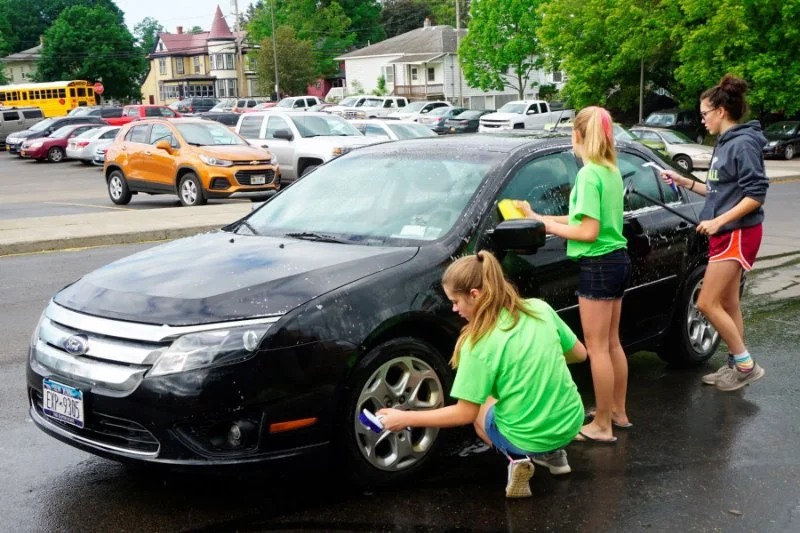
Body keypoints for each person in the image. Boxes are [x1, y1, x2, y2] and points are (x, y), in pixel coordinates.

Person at [377, 251, 587, 499]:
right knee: (528, 399)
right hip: (571, 421)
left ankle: (518, 458)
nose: (454, 308)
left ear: (474, 295)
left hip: (527, 438)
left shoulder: (478, 343)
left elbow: (463, 414)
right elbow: (580, 354)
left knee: (481, 404)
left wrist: (405, 418)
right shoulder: (539, 309)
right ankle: (556, 456)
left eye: (455, 301)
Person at [514, 106, 631, 444]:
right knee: (611, 343)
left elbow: (588, 231)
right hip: (617, 260)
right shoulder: (609, 171)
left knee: (596, 349)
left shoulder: (587, 174)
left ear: (578, 135)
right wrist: (539, 215)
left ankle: (603, 425)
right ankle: (617, 412)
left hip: (597, 266)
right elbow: (583, 219)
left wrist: (547, 225)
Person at [660, 74, 768, 391]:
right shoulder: (726, 144)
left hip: (737, 233)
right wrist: (684, 182)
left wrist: (719, 222)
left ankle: (746, 366)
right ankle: (737, 363)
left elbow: (756, 194)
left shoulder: (743, 144)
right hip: (728, 233)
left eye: (705, 113)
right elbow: (719, 192)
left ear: (721, 111)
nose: (702, 119)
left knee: (707, 303)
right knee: (729, 303)